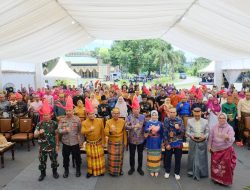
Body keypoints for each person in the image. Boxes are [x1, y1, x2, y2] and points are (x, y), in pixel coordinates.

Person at [208, 113, 237, 186]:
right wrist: (209, 146)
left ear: (226, 119)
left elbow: (232, 138)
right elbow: (210, 137)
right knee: (215, 165)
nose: (222, 119)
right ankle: (216, 179)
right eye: (220, 118)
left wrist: (228, 138)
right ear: (218, 119)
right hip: (215, 149)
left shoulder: (229, 128)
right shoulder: (214, 127)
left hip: (226, 149)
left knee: (225, 166)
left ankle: (224, 181)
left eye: (223, 118)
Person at [34, 100, 59, 181]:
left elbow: (56, 134)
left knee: (54, 159)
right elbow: (35, 134)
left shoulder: (54, 123)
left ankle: (55, 172)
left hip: (52, 145)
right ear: (42, 115)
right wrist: (38, 133)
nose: (45, 116)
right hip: (43, 146)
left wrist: (58, 144)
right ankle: (42, 174)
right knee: (42, 161)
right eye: (44, 115)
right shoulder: (39, 124)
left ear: (50, 115)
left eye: (47, 115)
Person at [58, 96, 82, 178]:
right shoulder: (62, 120)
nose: (68, 112)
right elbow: (59, 130)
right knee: (65, 158)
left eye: (70, 110)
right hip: (66, 142)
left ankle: (78, 170)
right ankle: (66, 170)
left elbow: (80, 131)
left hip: (75, 142)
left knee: (77, 157)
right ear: (65, 111)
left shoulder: (77, 119)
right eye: (67, 110)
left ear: (73, 111)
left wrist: (81, 141)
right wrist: (65, 130)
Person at [81, 98, 105, 178]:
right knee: (90, 158)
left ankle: (101, 171)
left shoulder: (100, 121)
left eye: (93, 114)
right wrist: (89, 130)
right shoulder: (84, 122)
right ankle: (90, 172)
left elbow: (103, 132)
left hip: (98, 142)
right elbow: (82, 131)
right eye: (89, 114)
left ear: (94, 113)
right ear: (87, 115)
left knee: (99, 157)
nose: (91, 115)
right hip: (89, 143)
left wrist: (104, 142)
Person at [186, 107, 209, 180]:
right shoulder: (189, 121)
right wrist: (191, 136)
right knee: (192, 157)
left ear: (200, 114)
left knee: (202, 157)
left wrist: (204, 136)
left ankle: (202, 173)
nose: (197, 117)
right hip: (193, 140)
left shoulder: (205, 121)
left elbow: (208, 132)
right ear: (193, 114)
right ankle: (191, 172)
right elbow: (187, 132)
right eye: (195, 116)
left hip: (202, 141)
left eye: (198, 116)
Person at [126, 96, 145, 176]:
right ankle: (132, 168)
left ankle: (139, 168)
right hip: (132, 139)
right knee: (132, 155)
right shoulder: (129, 117)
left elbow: (146, 126)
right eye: (135, 109)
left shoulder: (143, 117)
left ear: (139, 109)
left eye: (137, 109)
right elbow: (126, 126)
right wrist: (133, 126)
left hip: (141, 139)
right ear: (132, 109)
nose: (136, 110)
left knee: (140, 155)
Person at [163, 108, 185, 180]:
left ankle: (177, 172)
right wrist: (166, 144)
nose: (172, 113)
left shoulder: (180, 120)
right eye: (171, 112)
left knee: (178, 158)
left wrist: (178, 128)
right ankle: (167, 171)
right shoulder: (166, 120)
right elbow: (164, 132)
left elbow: (183, 132)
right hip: (169, 141)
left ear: (176, 113)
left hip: (178, 141)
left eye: (174, 112)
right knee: (168, 157)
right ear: (169, 113)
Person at [105, 108, 127, 176]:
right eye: (114, 113)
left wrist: (125, 142)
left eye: (117, 113)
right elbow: (105, 132)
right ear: (112, 114)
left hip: (120, 141)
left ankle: (120, 170)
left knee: (120, 158)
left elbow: (124, 133)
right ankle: (111, 171)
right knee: (112, 158)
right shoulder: (108, 122)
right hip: (112, 142)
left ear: (119, 114)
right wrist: (110, 131)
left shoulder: (123, 121)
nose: (116, 114)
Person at [144, 110, 163, 177]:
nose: (154, 116)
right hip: (150, 141)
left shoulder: (160, 123)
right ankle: (151, 169)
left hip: (158, 141)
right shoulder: (148, 122)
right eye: (153, 115)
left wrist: (162, 141)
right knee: (151, 156)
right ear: (151, 116)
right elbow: (145, 130)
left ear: (157, 116)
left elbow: (162, 133)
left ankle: (156, 169)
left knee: (157, 156)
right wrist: (149, 129)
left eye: (155, 115)